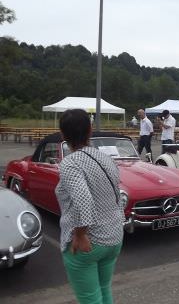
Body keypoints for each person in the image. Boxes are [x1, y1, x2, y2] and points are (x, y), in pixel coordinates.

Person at [55, 109, 124, 304]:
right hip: (113, 236)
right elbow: (118, 194)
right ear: (90, 130)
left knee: (90, 299)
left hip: (88, 243)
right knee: (104, 290)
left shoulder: (70, 163)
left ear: (62, 134)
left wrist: (80, 234)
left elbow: (84, 200)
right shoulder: (106, 159)